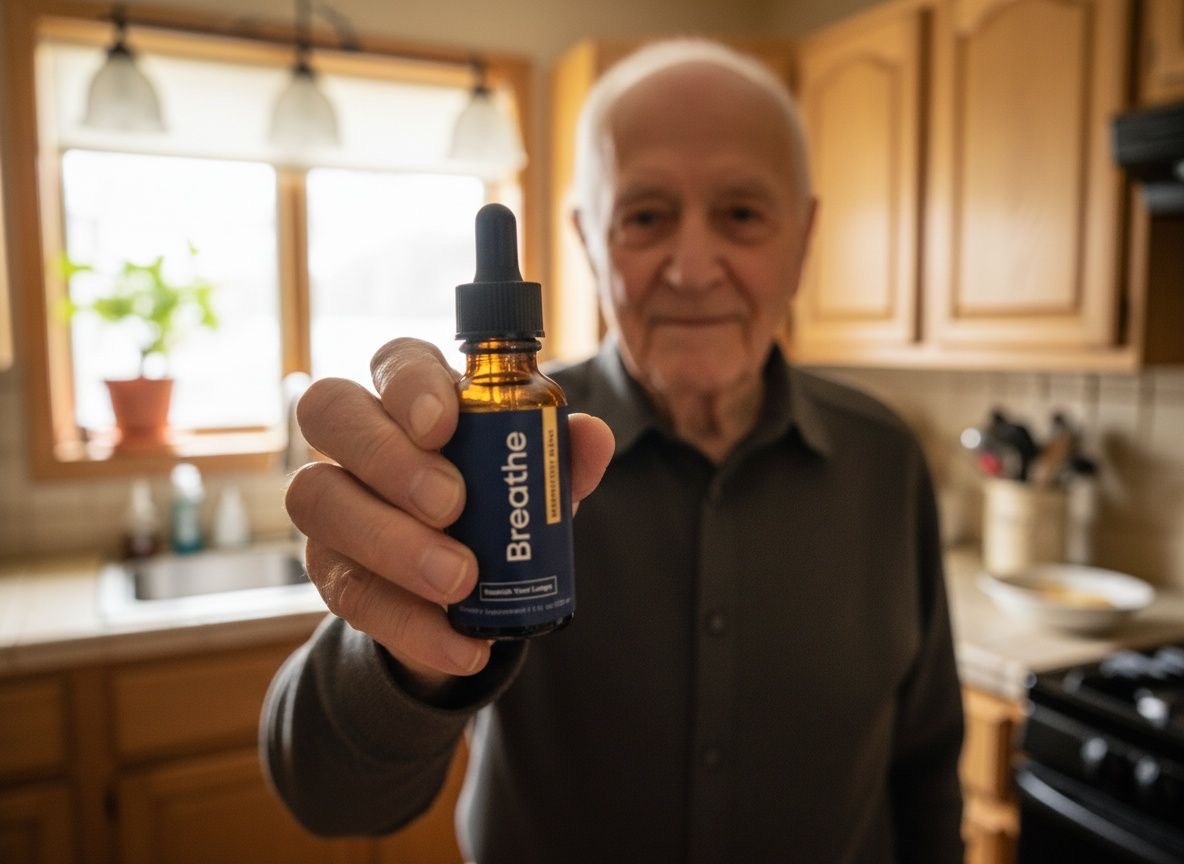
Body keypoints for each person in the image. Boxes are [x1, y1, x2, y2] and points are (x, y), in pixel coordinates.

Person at [262, 38, 965, 864]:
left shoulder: (886, 459)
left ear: (803, 237)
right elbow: (326, 793)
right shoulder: (491, 451)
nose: (692, 270)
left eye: (742, 214)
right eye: (646, 216)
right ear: (588, 238)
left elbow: (927, 764)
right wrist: (401, 646)